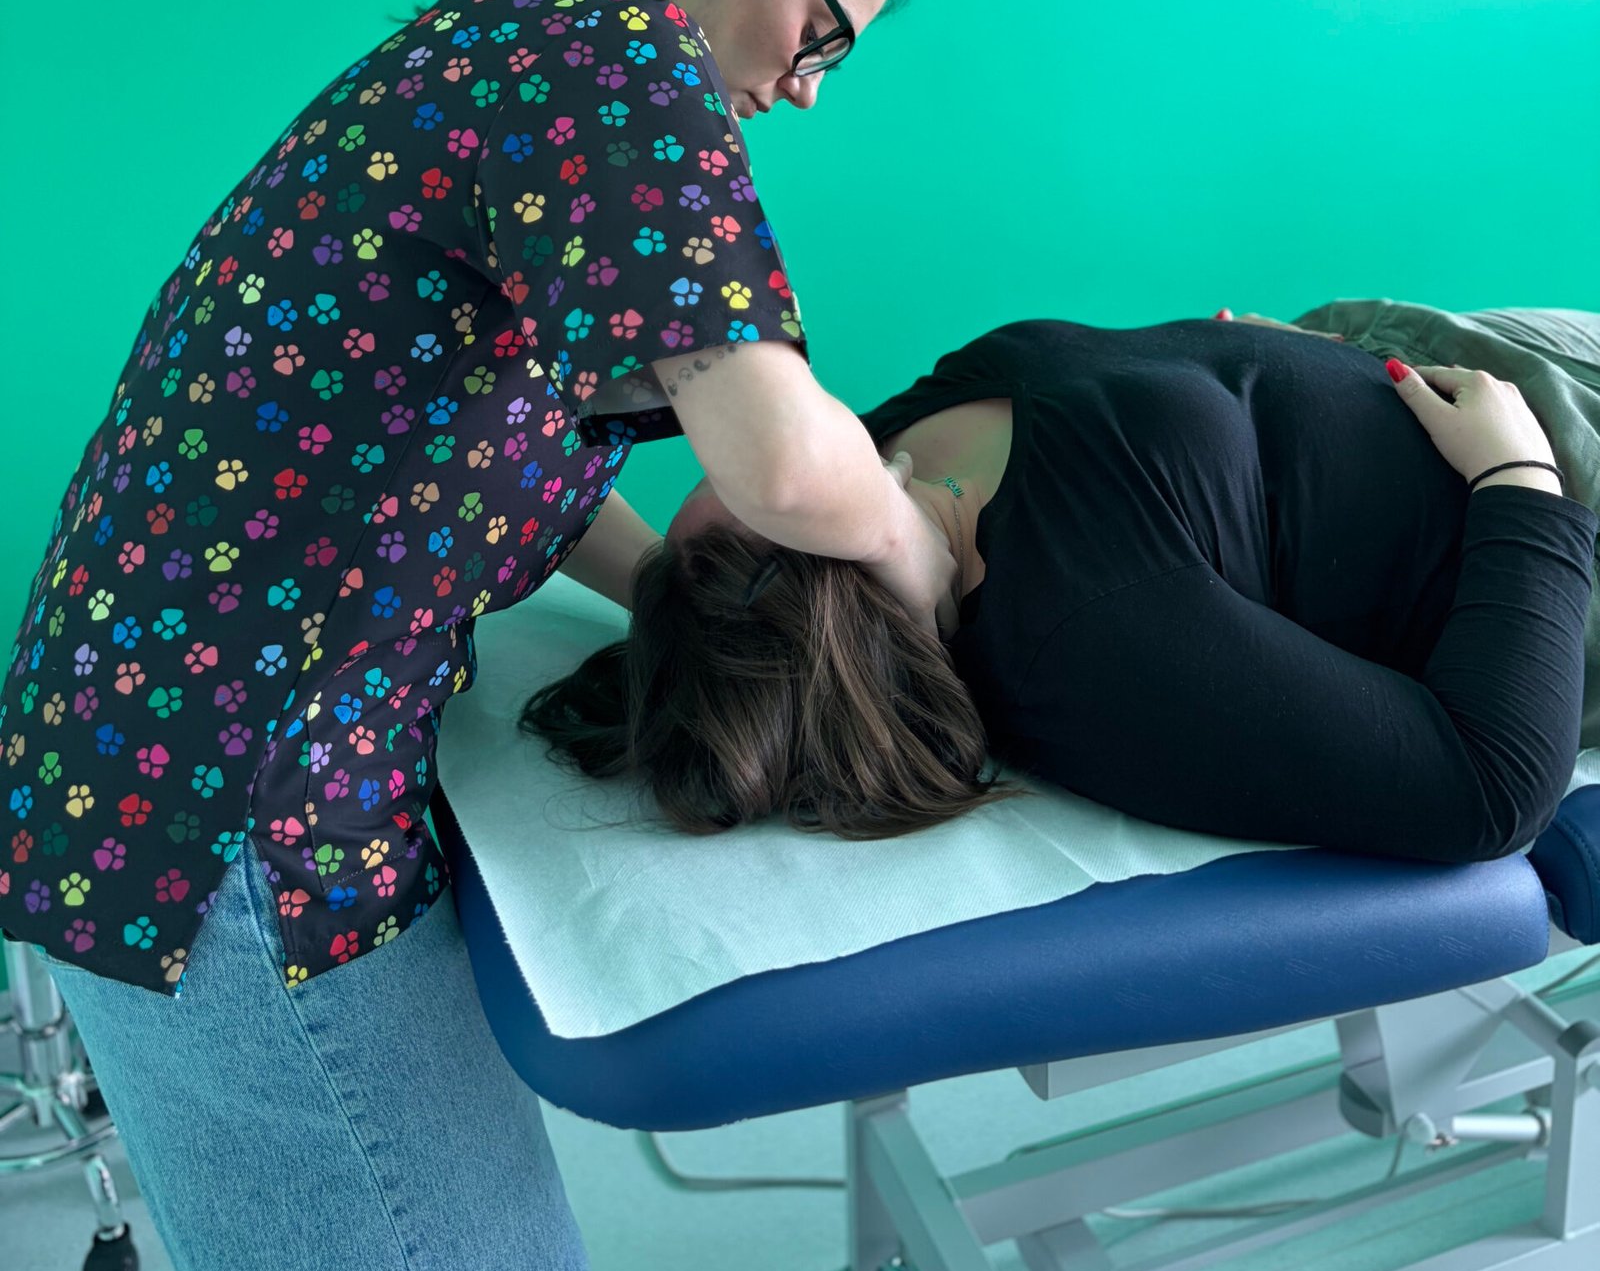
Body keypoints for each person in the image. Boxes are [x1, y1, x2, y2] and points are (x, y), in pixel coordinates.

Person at [0, 0, 952, 1271]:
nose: (807, 89)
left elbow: (476, 436)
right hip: (232, 799)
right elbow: (780, 462)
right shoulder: (617, 54)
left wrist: (675, 594)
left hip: (154, 741)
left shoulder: (512, 28)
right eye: (821, 34)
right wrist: (916, 552)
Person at [525, 308, 1600, 865]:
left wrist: (1268, 364)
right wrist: (1519, 478)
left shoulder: (888, 456)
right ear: (842, 558)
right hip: (1558, 484)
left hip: (1444, 347)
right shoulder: (1091, 636)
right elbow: (1487, 789)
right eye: (744, 490)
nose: (730, 451)